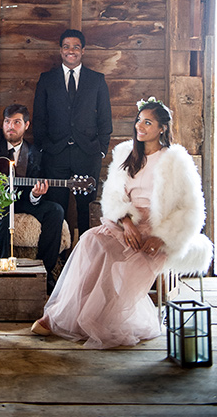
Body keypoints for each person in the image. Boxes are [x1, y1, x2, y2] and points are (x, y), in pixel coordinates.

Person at [31, 98, 213, 349]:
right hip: (127, 221)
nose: (140, 126)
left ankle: (94, 318)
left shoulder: (175, 160)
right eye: (139, 120)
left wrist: (162, 237)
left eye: (148, 122)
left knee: (125, 261)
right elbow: (113, 196)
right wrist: (125, 221)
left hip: (156, 227)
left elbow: (191, 209)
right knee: (90, 241)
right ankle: (59, 315)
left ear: (162, 128)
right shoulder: (127, 154)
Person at [0, 104, 65, 294]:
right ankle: (0, 270)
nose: (10, 126)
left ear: (26, 125)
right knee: (1, 210)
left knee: (56, 211)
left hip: (21, 199)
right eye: (7, 122)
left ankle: (45, 274)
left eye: (16, 122)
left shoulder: (35, 154)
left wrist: (35, 195)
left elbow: (32, 193)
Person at [32, 28, 112, 236]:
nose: (71, 51)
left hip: (87, 154)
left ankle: (85, 259)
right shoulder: (46, 79)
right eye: (66, 47)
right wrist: (44, 148)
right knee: (57, 209)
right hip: (54, 155)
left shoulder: (97, 80)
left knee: (86, 210)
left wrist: (101, 149)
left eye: (76, 47)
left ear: (83, 51)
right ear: (60, 51)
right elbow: (39, 118)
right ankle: (59, 261)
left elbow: (105, 118)